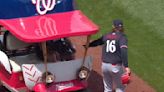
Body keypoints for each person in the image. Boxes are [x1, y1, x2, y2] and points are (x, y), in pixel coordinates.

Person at [86, 19, 130, 92]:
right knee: (120, 87)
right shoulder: (122, 37)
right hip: (115, 67)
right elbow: (123, 50)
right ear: (122, 27)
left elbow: (98, 42)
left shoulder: (107, 36)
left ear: (113, 26)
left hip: (105, 66)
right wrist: (126, 66)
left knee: (107, 88)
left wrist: (88, 45)